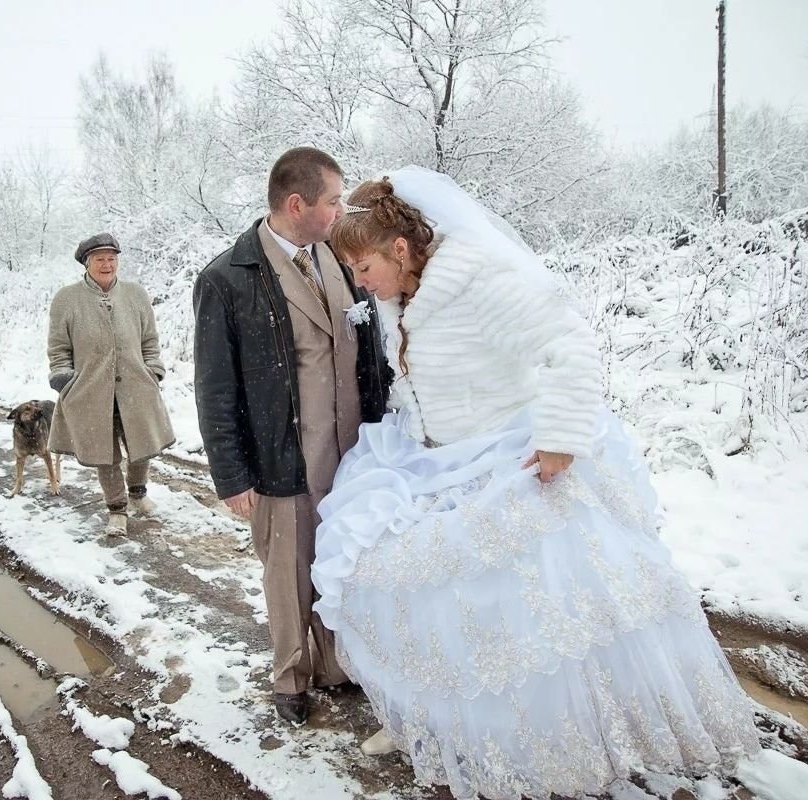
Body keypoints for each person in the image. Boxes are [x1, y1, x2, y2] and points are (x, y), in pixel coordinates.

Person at [310, 167, 760, 799]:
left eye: (362, 266)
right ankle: (439, 723)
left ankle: (547, 740)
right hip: (444, 462)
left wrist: (559, 439)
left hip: (514, 460)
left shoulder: (482, 279)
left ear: (400, 248)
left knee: (528, 619)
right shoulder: (402, 295)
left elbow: (569, 346)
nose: (361, 282)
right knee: (427, 600)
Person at [192, 147, 390, 725]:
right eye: (332, 201)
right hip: (283, 458)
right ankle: (291, 677)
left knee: (344, 563)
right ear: (297, 203)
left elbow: (369, 353)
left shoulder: (340, 259)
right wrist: (231, 474)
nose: (339, 210)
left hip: (355, 456)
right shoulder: (227, 279)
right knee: (289, 576)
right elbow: (215, 387)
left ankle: (335, 664)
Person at [48, 232, 175, 536]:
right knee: (104, 454)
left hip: (136, 386)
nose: (107, 264)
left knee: (141, 445)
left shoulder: (136, 295)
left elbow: (149, 340)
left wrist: (153, 369)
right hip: (90, 391)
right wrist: (64, 378)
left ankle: (138, 494)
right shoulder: (67, 299)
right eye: (99, 259)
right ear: (87, 263)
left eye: (111, 258)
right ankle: (117, 509)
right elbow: (58, 348)